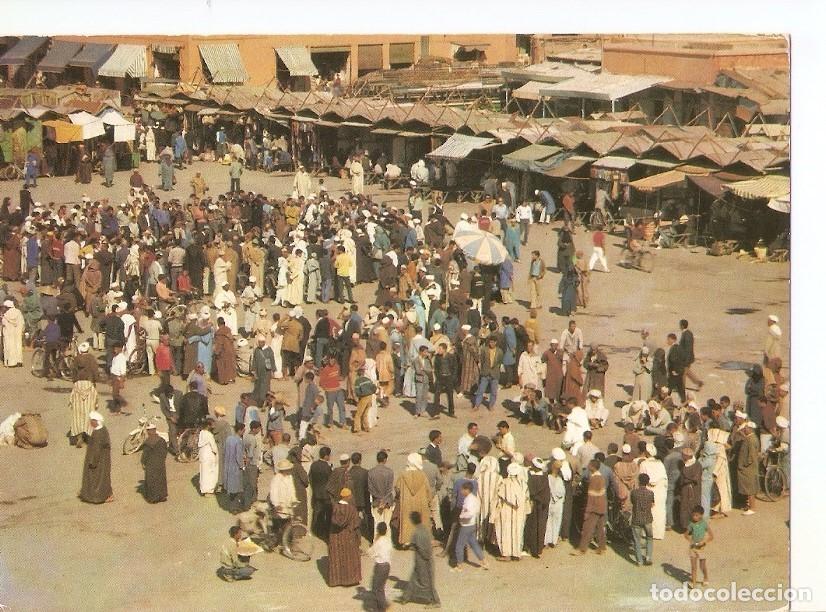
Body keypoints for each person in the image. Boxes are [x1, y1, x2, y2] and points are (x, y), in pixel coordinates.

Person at [397, 511, 440, 608]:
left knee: (427, 582)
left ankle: (435, 601)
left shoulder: (416, 532)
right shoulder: (425, 529)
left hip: (422, 560)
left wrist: (408, 545)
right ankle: (405, 597)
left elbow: (417, 547)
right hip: (426, 559)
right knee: (414, 579)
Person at [327, 487, 362, 587]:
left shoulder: (334, 507)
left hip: (335, 537)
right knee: (349, 558)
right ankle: (350, 580)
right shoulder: (352, 509)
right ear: (348, 497)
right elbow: (356, 525)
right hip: (348, 536)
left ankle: (336, 580)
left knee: (337, 558)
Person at [571, 460, 607, 555]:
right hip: (601, 505)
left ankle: (582, 549)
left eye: (589, 465)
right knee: (600, 528)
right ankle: (602, 547)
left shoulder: (593, 480)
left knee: (587, 528)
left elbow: (591, 497)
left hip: (594, 507)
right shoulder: (601, 478)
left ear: (592, 467)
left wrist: (587, 511)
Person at [396, 452, 432, 546]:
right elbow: (428, 490)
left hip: (407, 502)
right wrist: (428, 500)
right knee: (421, 521)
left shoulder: (403, 475)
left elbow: (397, 488)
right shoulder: (423, 476)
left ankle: (407, 540)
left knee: (407, 521)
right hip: (421, 502)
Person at [494, 462, 528, 561]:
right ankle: (516, 553)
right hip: (519, 512)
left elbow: (499, 496)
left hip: (506, 511)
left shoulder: (504, 483)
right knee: (518, 532)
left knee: (505, 531)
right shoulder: (523, 483)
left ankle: (506, 554)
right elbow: (526, 497)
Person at [453, 481, 489, 571]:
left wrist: (461, 516)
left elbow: (469, 513)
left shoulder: (468, 500)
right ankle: (484, 561)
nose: (461, 491)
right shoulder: (474, 498)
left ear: (467, 490)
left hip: (466, 525)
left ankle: (459, 565)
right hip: (472, 524)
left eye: (462, 489)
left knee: (459, 545)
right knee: (473, 543)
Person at [68, 342, 99, 447]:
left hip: (78, 386)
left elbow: (73, 373)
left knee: (78, 413)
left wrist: (75, 382)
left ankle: (79, 436)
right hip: (89, 385)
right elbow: (95, 373)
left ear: (80, 351)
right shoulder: (92, 359)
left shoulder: (76, 359)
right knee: (90, 411)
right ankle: (89, 436)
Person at [79, 411, 113, 504]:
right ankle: (107, 494)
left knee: (97, 479)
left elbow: (96, 450)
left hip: (99, 461)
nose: (90, 422)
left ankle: (97, 496)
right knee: (104, 477)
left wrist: (93, 463)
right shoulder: (102, 429)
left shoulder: (98, 433)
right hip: (103, 460)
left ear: (96, 421)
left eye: (91, 421)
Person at [639, 443, 667, 539]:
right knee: (659, 512)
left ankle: (646, 533)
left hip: (649, 491)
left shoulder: (644, 464)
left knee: (648, 511)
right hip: (660, 492)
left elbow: (641, 479)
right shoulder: (660, 464)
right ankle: (658, 533)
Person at [525, 457, 551, 558]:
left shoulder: (531, 477)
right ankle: (538, 549)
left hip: (534, 504)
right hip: (542, 505)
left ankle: (530, 547)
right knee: (540, 526)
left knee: (531, 526)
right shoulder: (544, 477)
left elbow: (531, 491)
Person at [368, 450, 395, 541]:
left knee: (377, 523)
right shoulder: (390, 472)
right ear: (385, 460)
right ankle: (387, 541)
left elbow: (370, 489)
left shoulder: (371, 472)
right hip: (387, 501)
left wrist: (379, 500)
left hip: (376, 501)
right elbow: (389, 488)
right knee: (387, 523)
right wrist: (384, 500)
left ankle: (376, 542)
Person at [685, 505, 713, 588]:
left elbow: (711, 536)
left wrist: (704, 542)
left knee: (702, 566)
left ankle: (705, 577)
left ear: (701, 515)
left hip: (702, 548)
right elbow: (686, 534)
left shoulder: (704, 524)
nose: (694, 517)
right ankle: (693, 584)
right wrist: (691, 541)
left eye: (696, 515)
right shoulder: (691, 524)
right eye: (693, 515)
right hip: (693, 548)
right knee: (693, 567)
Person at [631, 473, 655, 566]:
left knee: (637, 540)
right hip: (648, 519)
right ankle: (648, 557)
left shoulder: (634, 492)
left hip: (636, 518)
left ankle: (639, 561)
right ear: (648, 482)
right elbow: (652, 504)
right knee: (649, 538)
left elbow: (633, 502)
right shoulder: (650, 493)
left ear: (639, 481)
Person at [309, 446, 333, 540]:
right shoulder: (327, 467)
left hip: (316, 493)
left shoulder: (314, 465)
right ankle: (326, 532)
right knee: (327, 514)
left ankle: (316, 531)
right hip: (326, 495)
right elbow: (330, 480)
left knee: (317, 513)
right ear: (326, 456)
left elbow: (310, 478)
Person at [140, 423, 168, 503]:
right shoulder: (161, 440)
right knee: (161, 479)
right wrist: (162, 460)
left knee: (151, 480)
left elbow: (145, 454)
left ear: (148, 431)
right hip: (160, 463)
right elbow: (165, 451)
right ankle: (162, 496)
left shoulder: (148, 442)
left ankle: (153, 498)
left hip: (150, 464)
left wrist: (143, 462)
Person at [473, 337, 503, 411]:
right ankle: (477, 405)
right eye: (490, 342)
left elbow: (500, 362)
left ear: (495, 342)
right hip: (485, 373)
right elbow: (482, 360)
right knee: (481, 390)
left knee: (493, 391)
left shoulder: (499, 351)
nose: (491, 344)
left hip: (495, 373)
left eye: (493, 342)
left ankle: (491, 405)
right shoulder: (484, 350)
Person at [737, 421, 760, 515]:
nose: (744, 430)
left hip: (748, 468)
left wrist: (744, 464)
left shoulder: (750, 439)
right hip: (749, 467)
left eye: (745, 428)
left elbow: (751, 456)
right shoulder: (751, 438)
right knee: (749, 488)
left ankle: (752, 508)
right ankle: (750, 506)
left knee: (750, 489)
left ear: (749, 428)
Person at [368, 522, 392, 611]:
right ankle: (380, 607)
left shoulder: (378, 542)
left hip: (380, 566)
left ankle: (381, 608)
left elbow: (371, 553)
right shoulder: (388, 540)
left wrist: (374, 542)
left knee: (377, 589)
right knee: (381, 587)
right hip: (387, 565)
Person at [223, 423, 246, 511]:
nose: (244, 432)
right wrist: (242, 466)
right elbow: (238, 456)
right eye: (243, 430)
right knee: (236, 488)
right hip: (235, 468)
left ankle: (232, 506)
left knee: (231, 487)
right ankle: (235, 508)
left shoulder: (229, 438)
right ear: (240, 430)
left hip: (228, 465)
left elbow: (225, 451)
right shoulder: (239, 441)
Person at [679, 319, 703, 390]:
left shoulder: (686, 334)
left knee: (684, 371)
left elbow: (688, 348)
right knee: (686, 372)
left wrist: (686, 360)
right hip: (687, 357)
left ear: (682, 326)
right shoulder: (688, 333)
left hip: (687, 357)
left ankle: (682, 387)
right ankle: (698, 382)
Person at [251, 334, 275, 405]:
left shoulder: (269, 350)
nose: (260, 343)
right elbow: (254, 361)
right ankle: (260, 401)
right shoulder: (257, 350)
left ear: (264, 342)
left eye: (261, 342)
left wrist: (272, 371)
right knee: (258, 386)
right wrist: (254, 371)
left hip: (266, 372)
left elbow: (272, 360)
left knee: (265, 386)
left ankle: (265, 400)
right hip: (258, 372)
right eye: (259, 342)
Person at [198, 418, 219, 495]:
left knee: (203, 472)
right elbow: (214, 447)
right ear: (208, 425)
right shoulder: (209, 435)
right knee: (210, 473)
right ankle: (209, 490)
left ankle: (203, 489)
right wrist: (217, 453)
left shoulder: (201, 433)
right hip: (209, 455)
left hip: (203, 455)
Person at [2, 299, 24, 366]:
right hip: (17, 333)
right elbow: (22, 322)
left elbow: (4, 323)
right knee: (18, 346)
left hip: (9, 334)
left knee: (10, 347)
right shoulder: (18, 312)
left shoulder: (6, 314)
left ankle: (11, 363)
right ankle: (19, 361)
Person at [665, 333, 687, 402]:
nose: (667, 341)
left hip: (674, 372)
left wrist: (675, 370)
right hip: (679, 371)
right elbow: (684, 357)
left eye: (668, 339)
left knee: (669, 387)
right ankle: (684, 401)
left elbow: (673, 360)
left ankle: (664, 400)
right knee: (680, 388)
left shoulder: (674, 348)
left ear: (672, 340)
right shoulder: (679, 347)